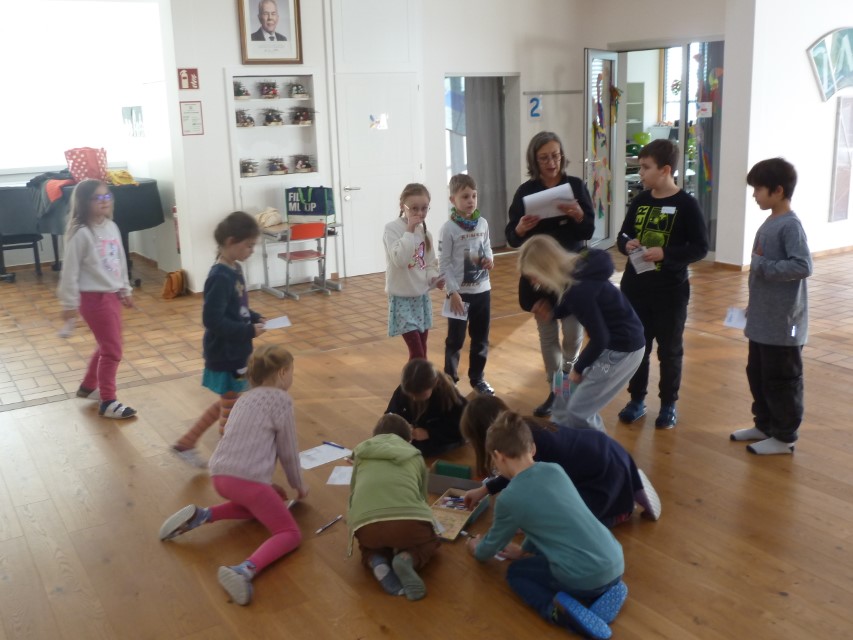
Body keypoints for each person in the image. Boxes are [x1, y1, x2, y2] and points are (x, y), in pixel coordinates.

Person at [159, 344, 308, 606]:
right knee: (289, 533)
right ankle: (244, 570)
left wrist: (267, 484)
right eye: (292, 372)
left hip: (220, 476)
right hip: (249, 482)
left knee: (263, 503)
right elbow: (288, 450)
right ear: (283, 373)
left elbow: (241, 443)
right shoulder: (281, 400)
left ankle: (203, 515)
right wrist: (299, 484)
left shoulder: (242, 398)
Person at [466, 411, 627, 640]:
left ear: (498, 457)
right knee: (559, 545)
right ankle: (604, 590)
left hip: (583, 576)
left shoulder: (509, 499)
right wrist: (523, 550)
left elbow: (490, 547)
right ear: (532, 448)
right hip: (615, 560)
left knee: (516, 574)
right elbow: (550, 522)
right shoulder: (555, 470)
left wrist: (476, 548)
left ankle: (557, 613)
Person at [616, 139, 709, 429]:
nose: (641, 173)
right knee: (638, 347)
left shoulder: (686, 205)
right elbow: (622, 235)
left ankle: (668, 404)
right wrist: (626, 244)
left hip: (670, 293)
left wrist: (666, 254)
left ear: (665, 169)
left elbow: (700, 248)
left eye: (646, 167)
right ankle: (636, 400)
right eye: (640, 167)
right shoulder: (640, 200)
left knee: (669, 351)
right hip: (635, 289)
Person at [460, 395, 660, 526]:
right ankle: (629, 485)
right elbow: (513, 472)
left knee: (574, 523)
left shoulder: (523, 444)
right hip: (607, 451)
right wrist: (485, 489)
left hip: (604, 471)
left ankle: (622, 508)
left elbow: (521, 480)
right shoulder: (519, 430)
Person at [505, 131, 595, 418]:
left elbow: (588, 230)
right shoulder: (525, 191)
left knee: (572, 334)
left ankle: (568, 377)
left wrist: (578, 215)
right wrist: (520, 228)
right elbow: (512, 237)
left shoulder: (575, 186)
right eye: (544, 158)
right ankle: (557, 393)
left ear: (562, 155)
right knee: (547, 337)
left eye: (555, 155)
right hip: (538, 278)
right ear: (534, 160)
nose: (551, 162)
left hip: (570, 276)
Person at [518, 236, 646, 432]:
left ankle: (600, 450)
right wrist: (553, 313)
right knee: (561, 394)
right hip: (610, 345)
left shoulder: (579, 290)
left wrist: (578, 368)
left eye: (534, 277)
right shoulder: (576, 273)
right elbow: (572, 303)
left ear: (546, 268)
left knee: (578, 412)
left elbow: (600, 338)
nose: (534, 283)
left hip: (621, 350)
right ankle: (563, 439)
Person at [730, 158, 812, 455]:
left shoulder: (790, 225)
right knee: (758, 374)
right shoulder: (772, 221)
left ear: (777, 191)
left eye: (758, 189)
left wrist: (763, 266)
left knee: (782, 380)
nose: (754, 195)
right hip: (763, 320)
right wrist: (754, 305)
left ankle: (785, 436)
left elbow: (803, 266)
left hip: (784, 324)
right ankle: (764, 425)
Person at [172, 211, 265, 468]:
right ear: (230, 241)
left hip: (238, 349)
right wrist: (248, 331)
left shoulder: (235, 269)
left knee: (230, 400)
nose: (251, 251)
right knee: (232, 408)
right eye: (248, 245)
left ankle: (186, 443)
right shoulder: (219, 276)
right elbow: (212, 320)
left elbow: (237, 308)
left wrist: (254, 317)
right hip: (225, 353)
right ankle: (229, 461)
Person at [57, 179, 137, 419]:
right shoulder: (81, 233)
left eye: (107, 196)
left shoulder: (111, 227)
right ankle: (108, 401)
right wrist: (69, 304)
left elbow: (120, 260)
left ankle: (89, 386)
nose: (104, 202)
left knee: (107, 344)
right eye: (97, 198)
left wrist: (125, 289)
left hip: (111, 296)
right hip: (93, 299)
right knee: (113, 350)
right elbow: (69, 272)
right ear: (84, 202)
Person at [347, 414, 441, 601]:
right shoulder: (414, 455)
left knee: (367, 545)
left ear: (375, 436)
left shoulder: (362, 453)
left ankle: (376, 560)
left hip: (366, 523)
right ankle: (407, 558)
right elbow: (422, 498)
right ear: (409, 439)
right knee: (432, 539)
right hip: (407, 524)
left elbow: (353, 492)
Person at [438, 173, 495, 395]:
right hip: (458, 295)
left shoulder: (483, 223)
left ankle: (477, 378)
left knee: (480, 339)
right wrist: (452, 292)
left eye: (474, 196)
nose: (471, 200)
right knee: (455, 339)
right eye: (465, 196)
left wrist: (489, 259)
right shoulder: (449, 229)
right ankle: (449, 381)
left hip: (482, 292)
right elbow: (444, 264)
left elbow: (487, 247)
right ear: (453, 200)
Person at [383, 183, 445, 361]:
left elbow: (429, 265)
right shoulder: (392, 229)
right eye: (414, 208)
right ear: (402, 207)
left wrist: (435, 279)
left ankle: (419, 378)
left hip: (421, 298)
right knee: (417, 352)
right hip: (402, 298)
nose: (420, 213)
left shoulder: (426, 234)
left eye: (424, 208)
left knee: (422, 351)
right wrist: (409, 230)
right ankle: (416, 379)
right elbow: (400, 260)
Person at [385, 358, 466, 458]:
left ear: (435, 382)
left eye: (419, 394)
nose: (414, 398)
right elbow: (390, 414)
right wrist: (403, 425)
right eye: (410, 394)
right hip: (413, 440)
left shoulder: (450, 398)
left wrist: (429, 433)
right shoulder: (404, 390)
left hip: (440, 442)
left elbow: (460, 429)